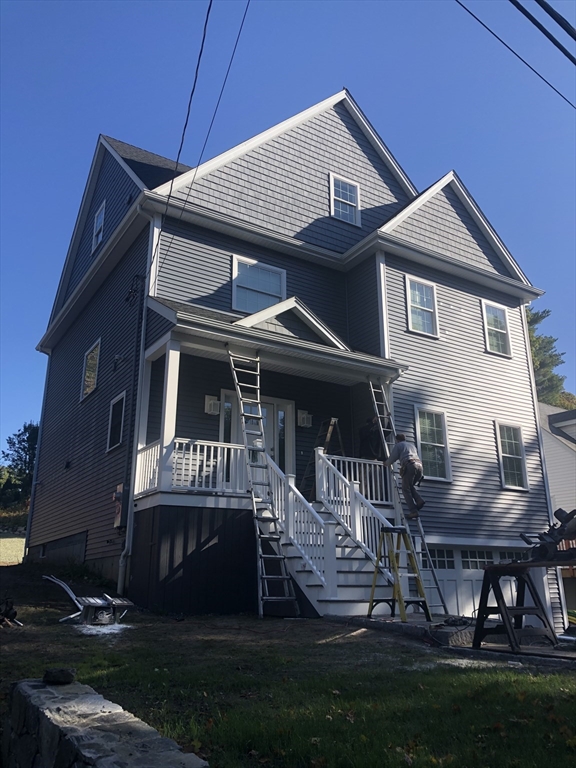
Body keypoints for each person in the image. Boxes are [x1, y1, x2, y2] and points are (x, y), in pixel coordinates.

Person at [383, 433, 425, 519]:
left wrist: (386, 463)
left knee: (405, 489)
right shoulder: (412, 446)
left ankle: (413, 511)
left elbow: (393, 458)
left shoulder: (399, 445)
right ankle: (419, 500)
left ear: (397, 440)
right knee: (409, 486)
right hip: (420, 467)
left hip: (410, 465)